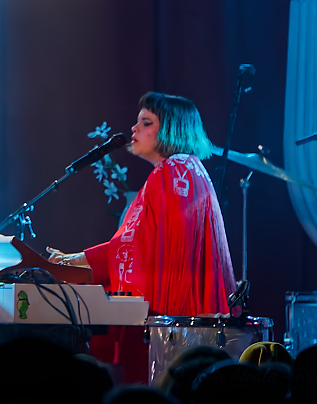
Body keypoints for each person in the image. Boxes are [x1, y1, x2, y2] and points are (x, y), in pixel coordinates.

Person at [48, 92, 236, 316]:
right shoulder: (190, 168)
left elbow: (134, 245)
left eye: (146, 123)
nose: (134, 129)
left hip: (174, 316)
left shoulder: (170, 173)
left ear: (171, 129)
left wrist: (74, 260)